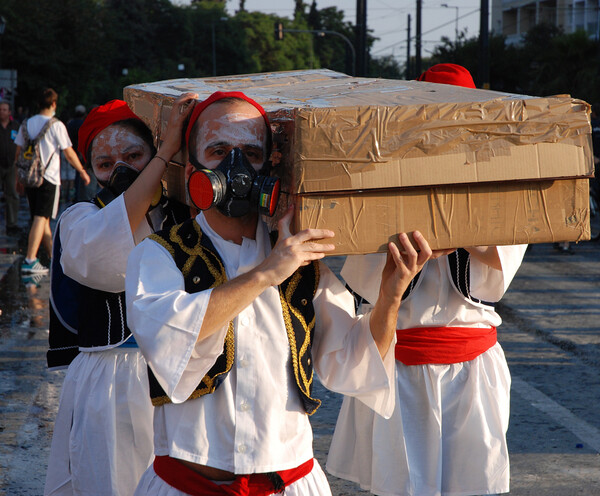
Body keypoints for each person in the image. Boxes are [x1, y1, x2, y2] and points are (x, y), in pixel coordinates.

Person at [125, 90, 433, 495]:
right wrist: (265, 274)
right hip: (188, 486)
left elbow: (351, 363)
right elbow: (168, 335)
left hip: (291, 484)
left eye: (251, 154)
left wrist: (391, 297)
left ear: (270, 168)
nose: (236, 167)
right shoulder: (158, 254)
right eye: (218, 150)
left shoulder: (301, 263)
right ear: (190, 170)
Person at [326, 63, 528, 496]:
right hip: (395, 366)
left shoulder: (499, 182)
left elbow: (504, 252)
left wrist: (453, 225)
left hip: (470, 368)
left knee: (472, 485)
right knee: (399, 486)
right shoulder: (378, 177)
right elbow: (363, 278)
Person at [44, 94, 198, 496]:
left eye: (134, 156)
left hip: (184, 374)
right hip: (114, 377)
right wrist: (164, 154)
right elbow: (109, 261)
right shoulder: (81, 219)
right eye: (106, 164)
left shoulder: (187, 214)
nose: (121, 171)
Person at [14, 88, 91, 274]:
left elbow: (18, 152)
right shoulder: (56, 125)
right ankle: (30, 260)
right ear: (54, 104)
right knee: (41, 217)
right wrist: (82, 171)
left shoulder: (26, 124)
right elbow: (69, 153)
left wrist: (19, 178)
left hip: (30, 178)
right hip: (48, 178)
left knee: (42, 219)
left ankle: (55, 260)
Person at [0, 100, 21, 235]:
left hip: (12, 164)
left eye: (4, 109)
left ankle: (12, 223)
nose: (2, 112)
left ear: (9, 112)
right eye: (0, 109)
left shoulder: (15, 126)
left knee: (12, 194)